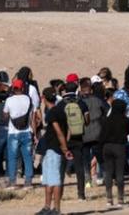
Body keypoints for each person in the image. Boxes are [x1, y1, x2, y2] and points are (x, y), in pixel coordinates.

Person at [40, 86, 72, 215]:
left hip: (54, 149)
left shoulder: (52, 113)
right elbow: (69, 129)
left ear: (43, 98)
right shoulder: (61, 111)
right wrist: (66, 143)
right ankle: (47, 207)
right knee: (48, 180)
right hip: (51, 149)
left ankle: (56, 209)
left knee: (55, 180)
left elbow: (59, 131)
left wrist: (64, 148)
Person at [3, 79, 35, 189]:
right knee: (27, 157)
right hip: (27, 131)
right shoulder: (28, 99)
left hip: (13, 132)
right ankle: (28, 182)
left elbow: (5, 115)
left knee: (12, 157)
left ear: (13, 88)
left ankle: (12, 182)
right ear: (22, 88)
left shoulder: (9, 100)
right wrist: (34, 133)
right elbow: (32, 118)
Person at [100, 95, 129, 207]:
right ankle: (120, 199)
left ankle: (109, 199)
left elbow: (101, 135)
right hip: (119, 147)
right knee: (119, 173)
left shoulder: (106, 120)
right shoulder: (125, 120)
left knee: (108, 172)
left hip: (106, 147)